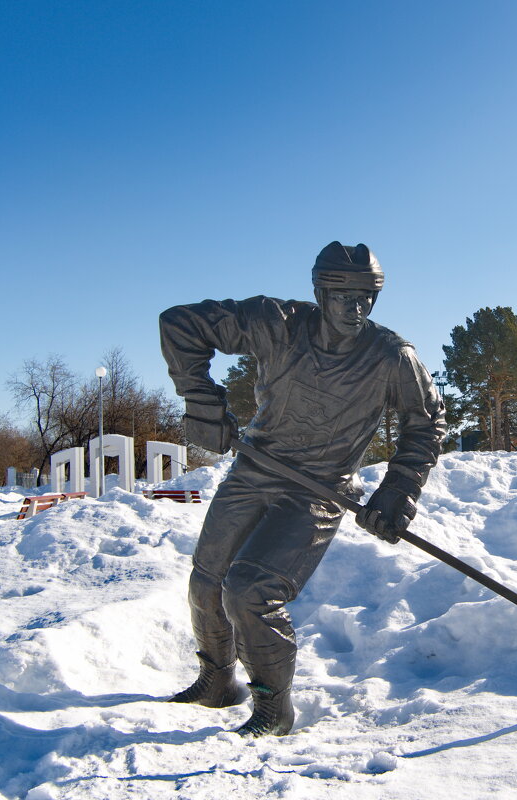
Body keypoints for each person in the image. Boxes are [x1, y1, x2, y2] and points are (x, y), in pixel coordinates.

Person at [158, 241, 446, 737]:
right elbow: (180, 323)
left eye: (366, 297)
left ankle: (273, 706)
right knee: (207, 581)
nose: (356, 308)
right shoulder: (277, 324)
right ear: (319, 292)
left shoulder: (391, 357)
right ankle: (216, 680)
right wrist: (201, 402)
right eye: (342, 296)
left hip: (316, 491)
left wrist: (398, 490)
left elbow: (427, 423)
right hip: (254, 470)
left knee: (250, 592)